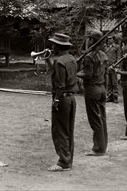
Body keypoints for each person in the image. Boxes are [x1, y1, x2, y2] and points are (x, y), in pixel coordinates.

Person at [46, 33, 77, 172]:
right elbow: (57, 73)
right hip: (71, 98)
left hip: (62, 98)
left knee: (60, 130)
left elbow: (60, 84)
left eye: (54, 45)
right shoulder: (71, 59)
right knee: (68, 130)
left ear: (58, 46)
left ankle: (63, 162)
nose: (52, 47)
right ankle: (68, 160)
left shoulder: (60, 61)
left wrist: (56, 100)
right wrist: (48, 60)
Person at [77, 30, 109, 156]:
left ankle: (98, 148)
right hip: (101, 88)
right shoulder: (103, 55)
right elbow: (104, 74)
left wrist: (75, 73)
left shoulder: (90, 56)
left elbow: (88, 75)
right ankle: (102, 145)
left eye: (89, 39)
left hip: (92, 89)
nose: (87, 41)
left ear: (92, 40)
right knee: (102, 118)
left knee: (95, 119)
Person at [104, 35, 121, 103]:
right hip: (107, 66)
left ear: (113, 39)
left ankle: (115, 96)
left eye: (110, 38)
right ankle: (109, 96)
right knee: (108, 83)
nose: (109, 40)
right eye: (108, 39)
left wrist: (117, 66)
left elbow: (118, 57)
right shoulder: (105, 47)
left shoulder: (117, 47)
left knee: (114, 82)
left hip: (114, 66)